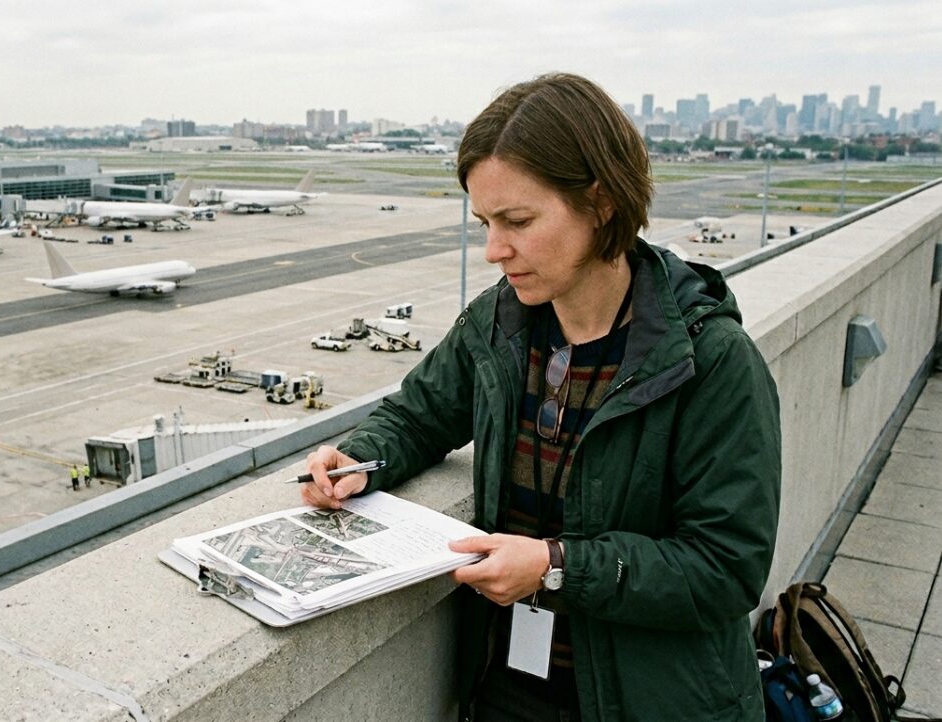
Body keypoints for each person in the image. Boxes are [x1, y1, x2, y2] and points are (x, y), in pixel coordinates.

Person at [301, 73, 781, 722]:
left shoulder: (711, 360)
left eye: (518, 221)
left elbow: (726, 568)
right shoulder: (499, 322)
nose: (493, 250)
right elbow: (418, 416)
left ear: (600, 202)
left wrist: (557, 566)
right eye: (485, 223)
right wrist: (359, 460)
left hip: (650, 703)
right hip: (504, 690)